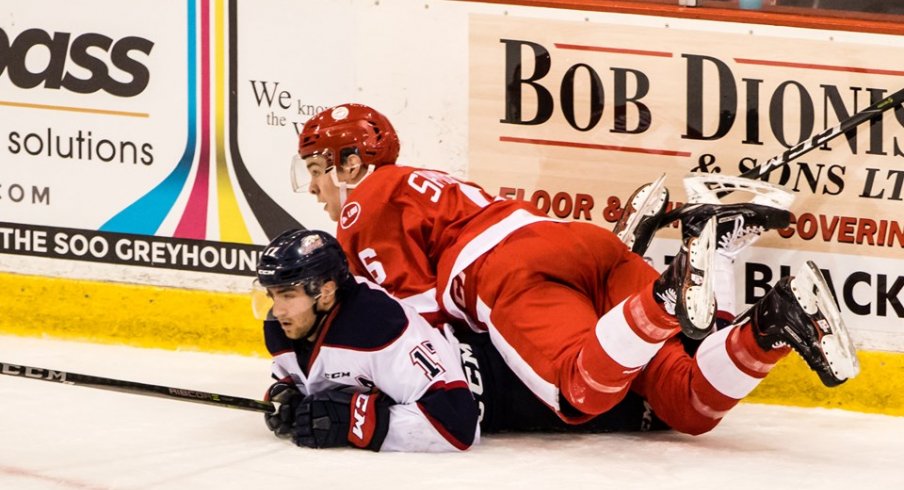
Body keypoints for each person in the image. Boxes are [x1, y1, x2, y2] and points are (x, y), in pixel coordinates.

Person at [290, 103, 860, 435]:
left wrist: (391, 395)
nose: (315, 187)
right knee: (686, 405)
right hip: (577, 244)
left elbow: (420, 325)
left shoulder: (365, 204)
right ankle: (774, 319)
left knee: (578, 393)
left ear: (350, 162)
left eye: (318, 169)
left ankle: (669, 291)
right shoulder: (422, 181)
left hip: (508, 273)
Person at [254, 228, 479, 452]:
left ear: (326, 291)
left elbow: (457, 424)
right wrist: (291, 398)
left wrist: (354, 423)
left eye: (287, 295)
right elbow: (310, 380)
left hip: (496, 389)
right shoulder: (283, 328)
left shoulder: (377, 324)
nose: (279, 310)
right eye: (272, 295)